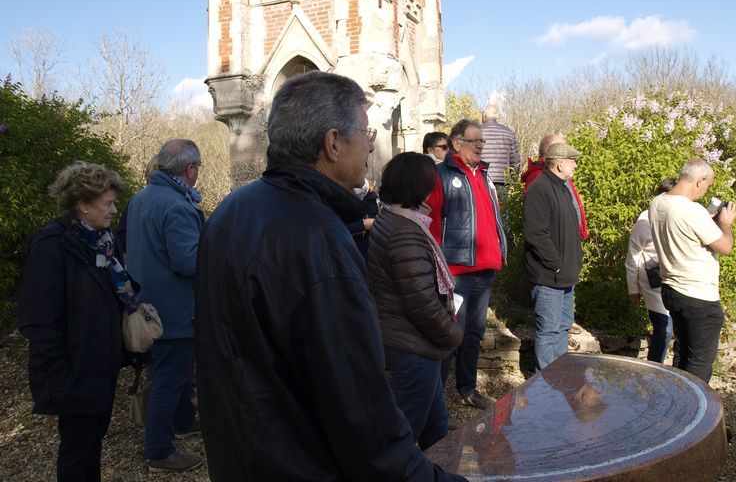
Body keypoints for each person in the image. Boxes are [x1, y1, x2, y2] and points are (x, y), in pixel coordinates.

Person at [194, 72, 466, 481]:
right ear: (333, 143)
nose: (371, 145)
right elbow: (362, 418)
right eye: (366, 133)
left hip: (242, 457)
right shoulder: (317, 236)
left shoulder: (233, 208)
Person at [19, 161, 128, 481]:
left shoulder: (101, 241)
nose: (114, 209)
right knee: (77, 450)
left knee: (92, 442)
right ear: (83, 205)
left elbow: (105, 295)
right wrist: (62, 379)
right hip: (74, 371)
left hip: (100, 365)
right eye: (108, 203)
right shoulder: (51, 246)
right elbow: (39, 321)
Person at [368, 152, 464, 450]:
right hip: (411, 346)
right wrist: (453, 334)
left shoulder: (393, 217)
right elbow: (421, 302)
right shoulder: (405, 232)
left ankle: (438, 468)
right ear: (418, 187)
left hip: (408, 341)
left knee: (436, 427)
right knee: (402, 437)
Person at [125, 139, 205, 473]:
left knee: (175, 371)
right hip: (174, 308)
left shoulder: (141, 198)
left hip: (148, 303)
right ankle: (159, 450)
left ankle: (183, 420)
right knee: (169, 378)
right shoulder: (177, 205)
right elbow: (188, 261)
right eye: (198, 168)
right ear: (190, 169)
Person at [428, 119, 507, 410]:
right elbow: (432, 224)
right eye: (474, 141)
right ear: (456, 143)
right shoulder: (442, 175)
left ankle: (467, 389)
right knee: (450, 336)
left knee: (474, 334)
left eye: (481, 141)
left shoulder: (485, 175)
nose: (480, 146)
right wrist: (438, 268)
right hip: (456, 272)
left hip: (485, 269)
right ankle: (435, 403)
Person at [649, 159, 736, 382]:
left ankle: (678, 398)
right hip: (698, 296)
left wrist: (706, 221)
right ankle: (697, 403)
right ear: (700, 181)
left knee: (682, 352)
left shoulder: (658, 202)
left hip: (672, 289)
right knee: (700, 360)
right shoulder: (692, 211)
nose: (705, 190)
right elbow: (725, 247)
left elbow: (684, 231)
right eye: (707, 185)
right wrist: (725, 224)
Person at [524, 142, 584, 371]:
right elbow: (536, 234)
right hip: (549, 276)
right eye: (572, 161)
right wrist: (556, 264)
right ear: (559, 164)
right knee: (549, 330)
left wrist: (571, 264)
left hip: (565, 274)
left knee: (562, 326)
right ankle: (546, 382)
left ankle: (558, 376)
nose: (575, 165)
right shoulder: (539, 189)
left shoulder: (561, 187)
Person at [625, 178, 677, 363]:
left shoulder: (680, 217)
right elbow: (633, 256)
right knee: (664, 329)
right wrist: (633, 288)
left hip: (676, 280)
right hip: (653, 281)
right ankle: (655, 368)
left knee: (678, 329)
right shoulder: (645, 221)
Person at [521, 133, 589, 242]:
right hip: (558, 243)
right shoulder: (539, 180)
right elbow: (538, 230)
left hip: (569, 239)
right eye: (562, 147)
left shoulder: (559, 174)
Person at [480, 104, 521, 189]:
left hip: (481, 178)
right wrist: (514, 178)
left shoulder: (477, 131)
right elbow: (515, 159)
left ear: (485, 114)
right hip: (502, 180)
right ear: (497, 115)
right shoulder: (508, 132)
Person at [346, 178, 379, 260]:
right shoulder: (341, 195)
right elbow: (336, 228)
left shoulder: (370, 194)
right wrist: (362, 225)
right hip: (352, 251)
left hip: (369, 251)